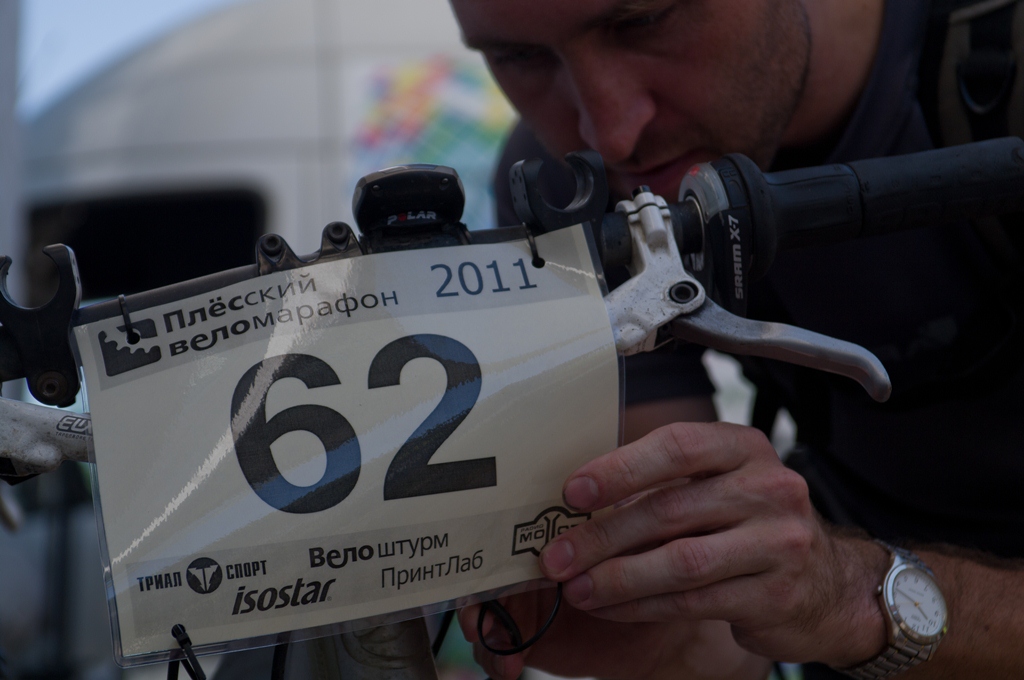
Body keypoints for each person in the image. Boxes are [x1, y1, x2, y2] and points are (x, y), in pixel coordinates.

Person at [447, 0, 1024, 678]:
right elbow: (724, 635)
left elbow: (838, 600)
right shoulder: (567, 191)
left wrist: (859, 595)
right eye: (518, 56)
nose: (611, 134)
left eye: (644, 21)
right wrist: (672, 632)